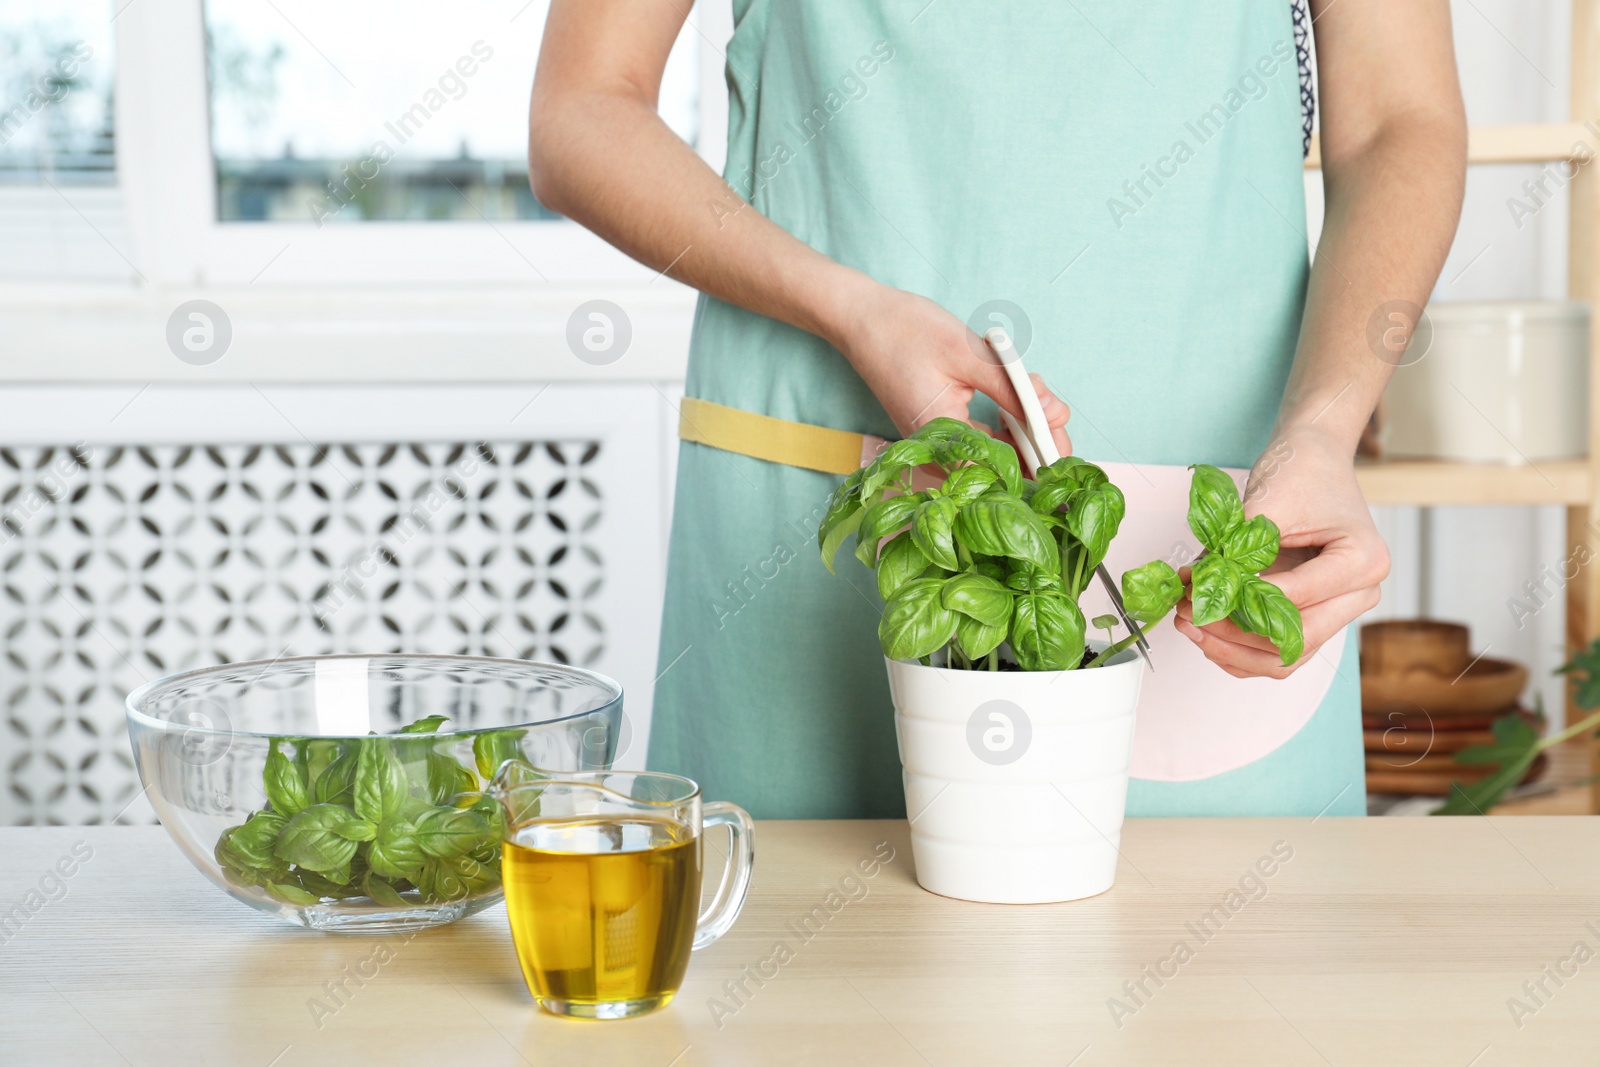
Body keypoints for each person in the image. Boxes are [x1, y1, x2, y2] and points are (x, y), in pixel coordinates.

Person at [528, 1, 1466, 818]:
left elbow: (1399, 119)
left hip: (1213, 537)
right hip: (804, 523)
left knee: (1236, 1003)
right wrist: (850, 309)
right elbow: (582, 109)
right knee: (799, 1006)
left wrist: (1325, 427)